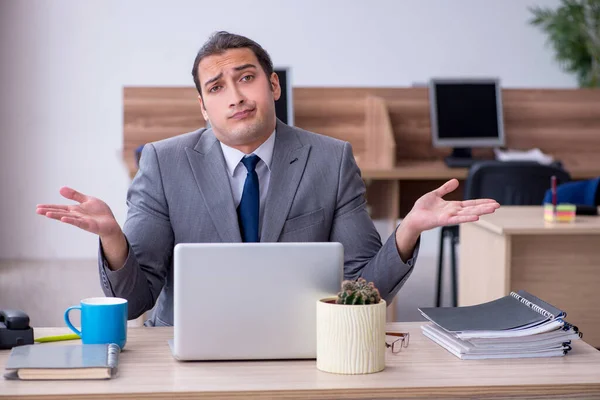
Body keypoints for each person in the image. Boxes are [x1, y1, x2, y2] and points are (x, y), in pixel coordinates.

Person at [36, 31, 499, 326]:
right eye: (216, 87)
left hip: (302, 346)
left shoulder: (330, 159)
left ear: (272, 85)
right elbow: (135, 301)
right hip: (189, 349)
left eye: (246, 78)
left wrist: (408, 231)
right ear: (203, 107)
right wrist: (114, 238)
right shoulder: (163, 162)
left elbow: (364, 289)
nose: (235, 96)